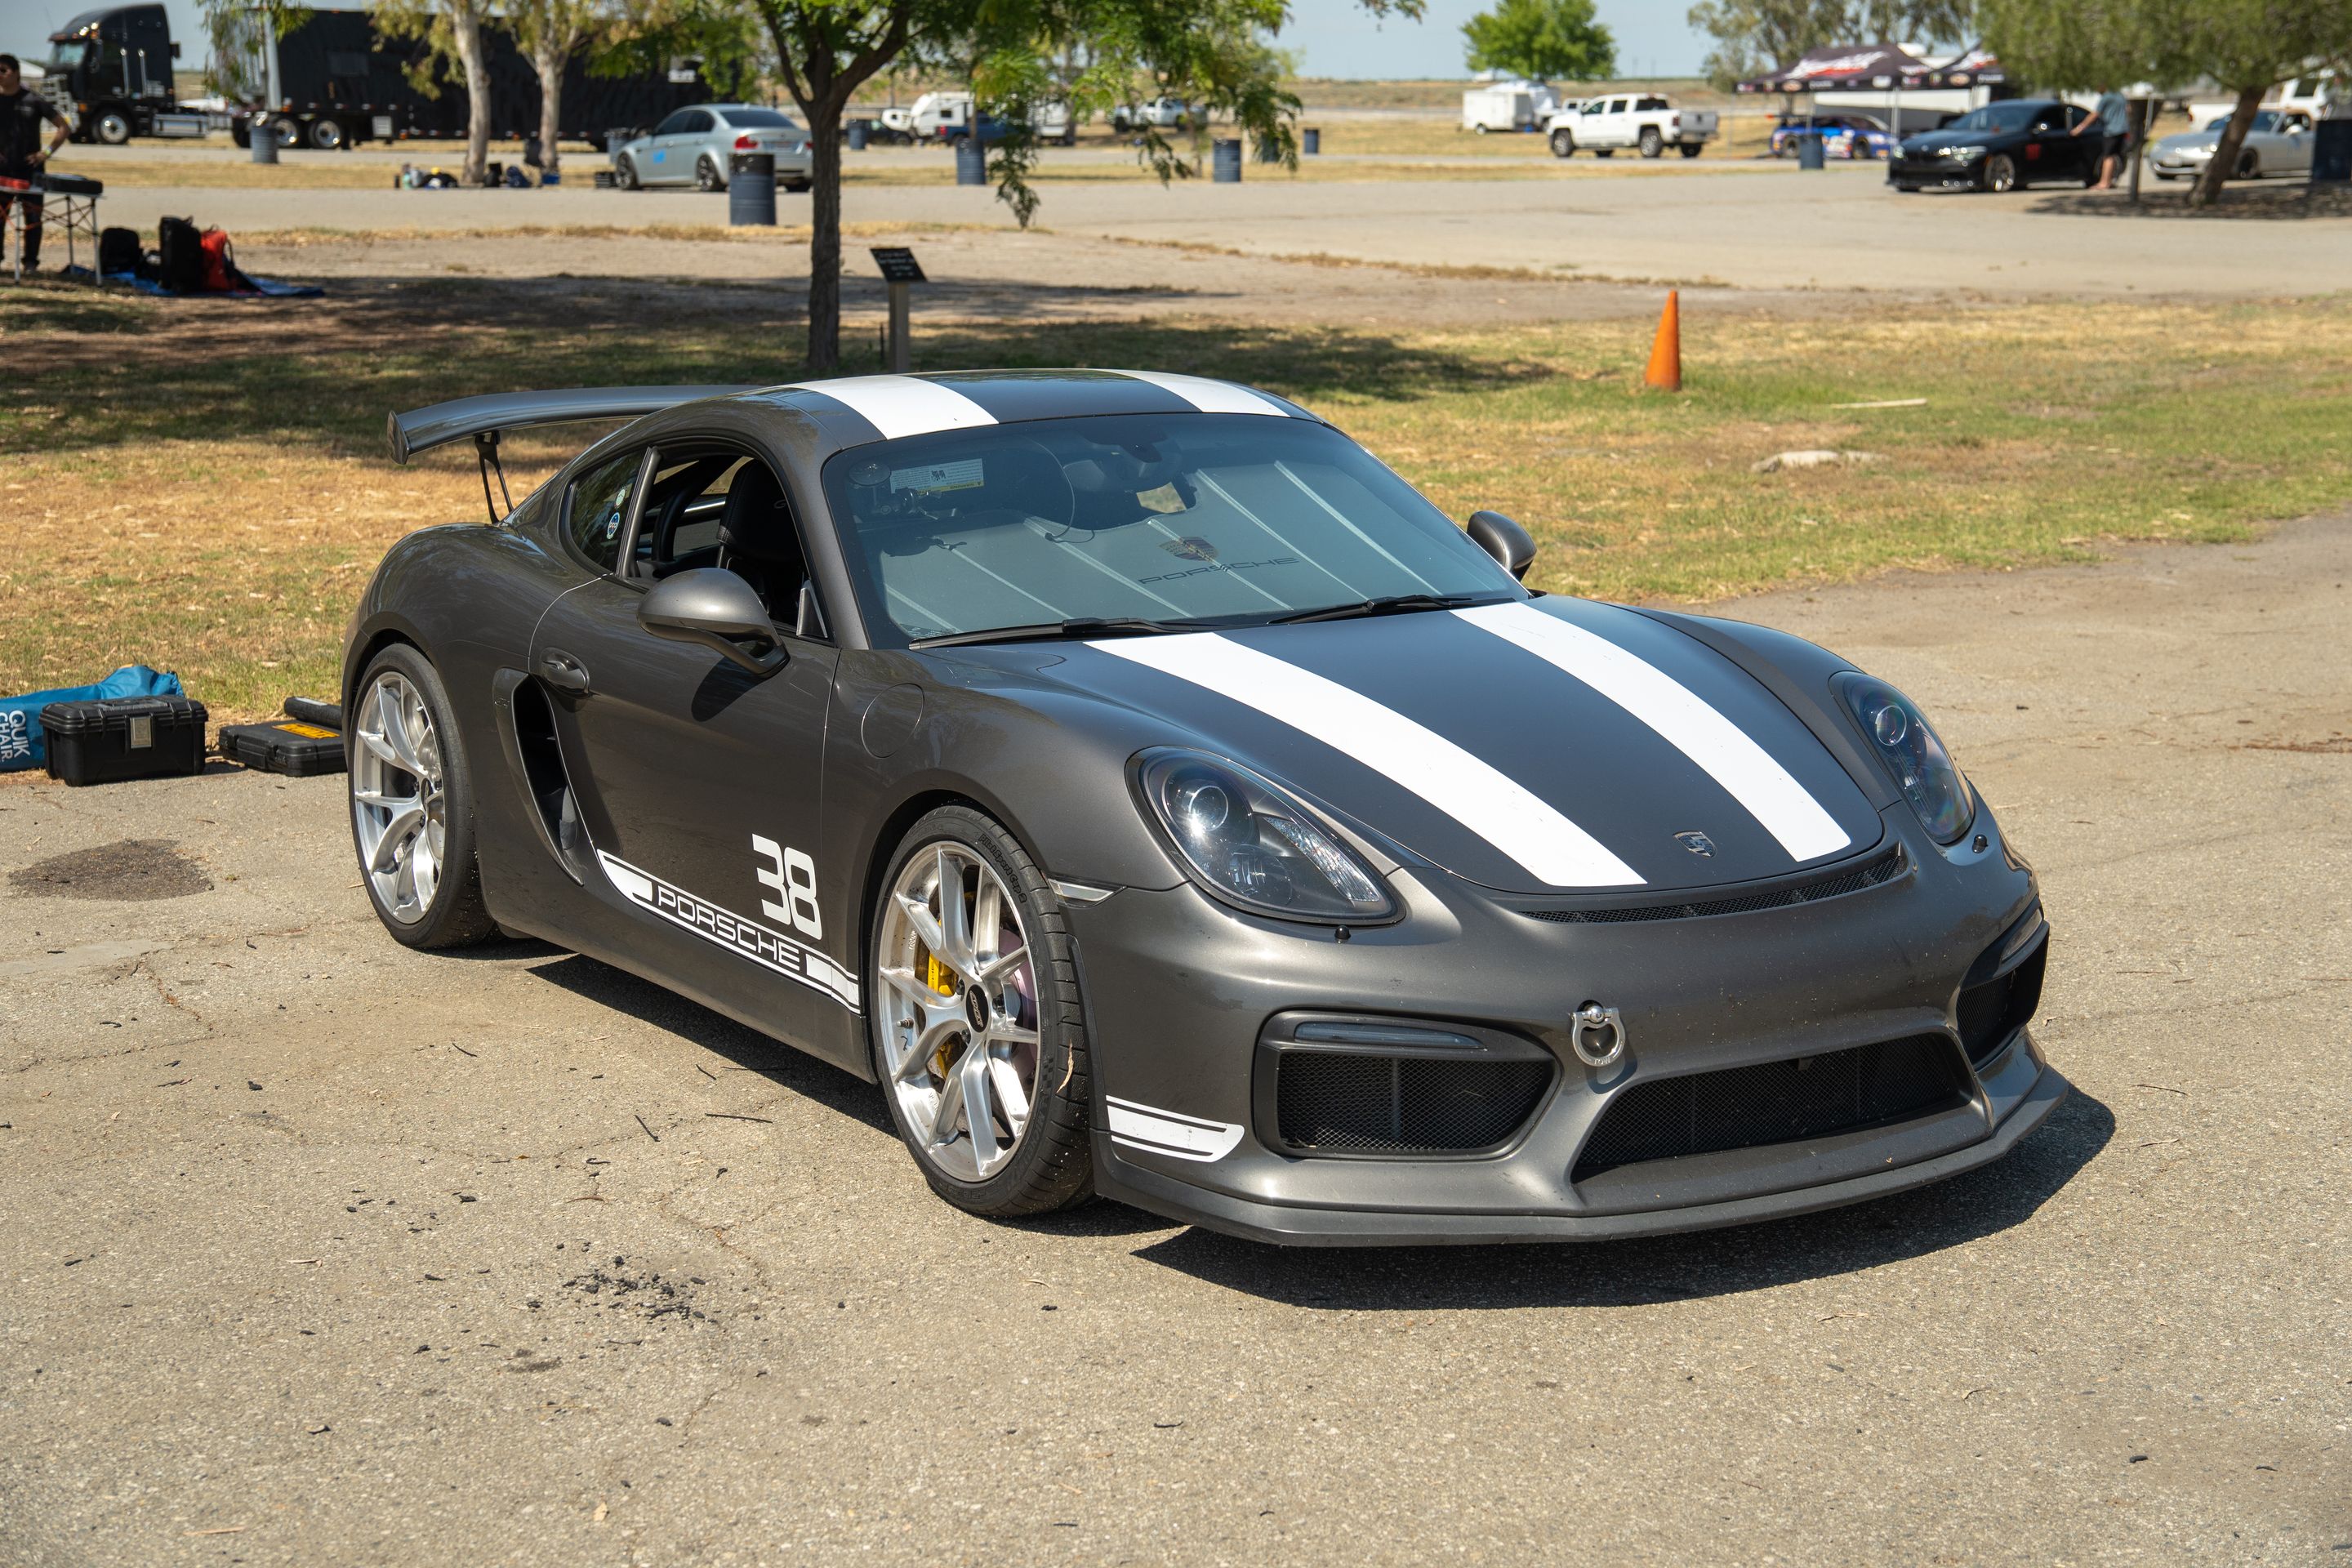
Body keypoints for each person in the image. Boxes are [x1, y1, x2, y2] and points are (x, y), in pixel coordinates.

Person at [1, 53, 74, 275]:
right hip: (3, 171)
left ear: (16, 73)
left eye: (3, 70)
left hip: (30, 171)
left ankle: (30, 263)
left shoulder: (33, 100)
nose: (0, 75)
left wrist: (45, 154)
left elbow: (64, 127)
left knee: (33, 218)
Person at [2072, 86, 2130, 191]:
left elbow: (2094, 114)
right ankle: (2109, 181)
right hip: (2123, 129)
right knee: (2113, 156)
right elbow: (2128, 109)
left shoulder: (2106, 97)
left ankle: (2104, 183)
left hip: (2112, 130)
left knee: (2108, 156)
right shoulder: (2120, 95)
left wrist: (2080, 128)